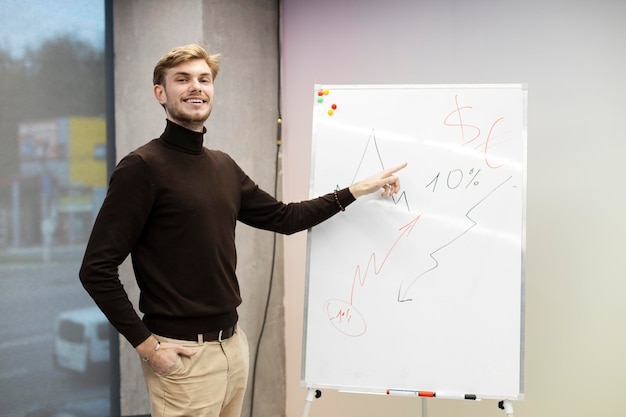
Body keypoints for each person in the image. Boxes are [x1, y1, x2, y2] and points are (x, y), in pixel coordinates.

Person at [79, 43, 406, 417]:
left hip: (232, 347)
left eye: (204, 79)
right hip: (183, 356)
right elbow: (95, 269)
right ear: (160, 93)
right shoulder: (142, 167)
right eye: (182, 80)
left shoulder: (223, 166)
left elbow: (285, 217)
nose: (195, 87)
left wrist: (354, 191)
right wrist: (148, 346)